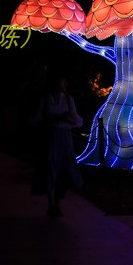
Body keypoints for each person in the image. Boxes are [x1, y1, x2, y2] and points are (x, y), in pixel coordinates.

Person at [32, 75, 84, 218]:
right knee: (50, 168)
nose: (64, 83)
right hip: (51, 137)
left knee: (66, 170)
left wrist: (70, 120)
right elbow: (37, 119)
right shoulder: (45, 99)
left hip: (65, 137)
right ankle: (51, 205)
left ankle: (57, 201)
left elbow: (76, 119)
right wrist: (48, 121)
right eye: (62, 81)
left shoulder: (68, 99)